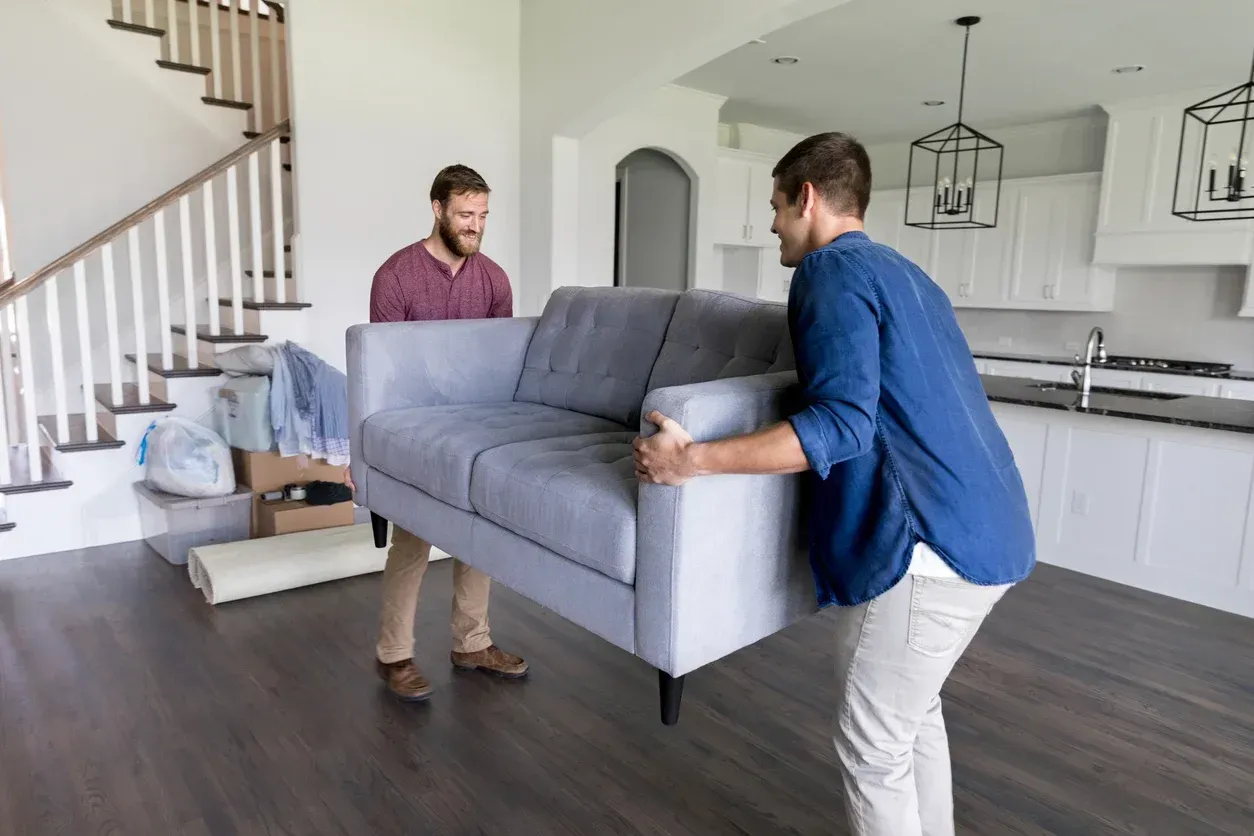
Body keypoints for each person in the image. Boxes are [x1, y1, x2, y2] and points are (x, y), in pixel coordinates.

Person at [632, 133, 1035, 836]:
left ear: (808, 198)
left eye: (777, 207)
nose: (773, 224)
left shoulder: (828, 273)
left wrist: (689, 461)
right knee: (912, 717)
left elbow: (842, 424)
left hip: (928, 544)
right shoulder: (907, 273)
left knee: (872, 746)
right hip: (992, 526)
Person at [345, 164, 528, 703]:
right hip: (414, 430)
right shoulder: (396, 276)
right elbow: (380, 371)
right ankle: (394, 655)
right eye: (465, 215)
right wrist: (368, 455)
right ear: (437, 209)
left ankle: (472, 643)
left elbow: (501, 365)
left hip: (476, 428)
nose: (475, 226)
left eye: (483, 216)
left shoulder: (494, 279)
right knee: (412, 541)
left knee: (479, 535)